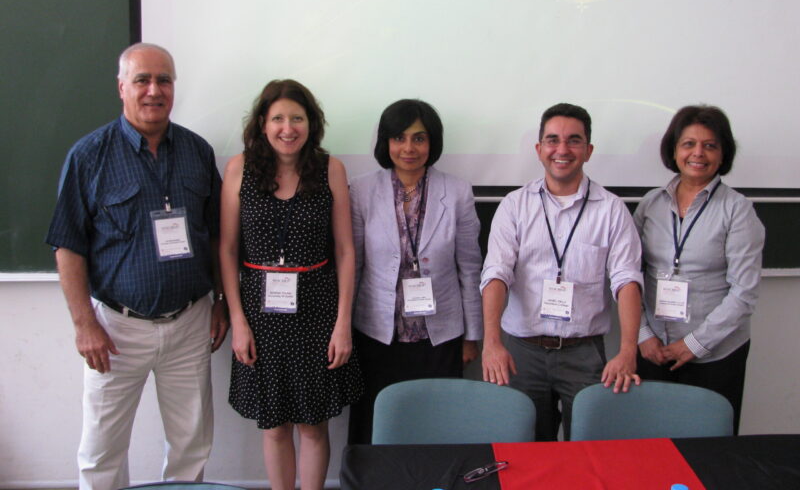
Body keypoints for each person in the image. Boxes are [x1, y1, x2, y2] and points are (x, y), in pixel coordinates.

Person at [45, 43, 229, 490]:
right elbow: (68, 246)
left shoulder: (197, 152)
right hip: (115, 330)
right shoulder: (89, 156)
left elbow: (218, 235)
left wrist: (220, 301)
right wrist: (83, 323)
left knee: (190, 444)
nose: (154, 90)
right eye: (142, 80)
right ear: (121, 88)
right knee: (102, 450)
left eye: (163, 80)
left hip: (190, 322)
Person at [221, 79, 363, 490]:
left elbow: (345, 251)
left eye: (297, 118)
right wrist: (237, 321)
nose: (288, 127)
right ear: (262, 123)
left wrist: (342, 324)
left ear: (310, 123)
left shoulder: (330, 169)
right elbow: (228, 249)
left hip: (317, 311)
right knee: (275, 426)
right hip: (258, 314)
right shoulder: (239, 169)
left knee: (313, 425)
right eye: (278, 118)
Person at [480, 103, 643, 441]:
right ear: (539, 149)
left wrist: (628, 351)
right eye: (552, 140)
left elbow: (627, 281)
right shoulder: (515, 205)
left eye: (574, 140)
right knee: (525, 449)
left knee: (590, 447)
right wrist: (492, 342)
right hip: (520, 351)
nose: (562, 149)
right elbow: (497, 273)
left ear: (588, 150)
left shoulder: (612, 210)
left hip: (584, 354)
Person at [347, 99, 483, 444]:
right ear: (386, 142)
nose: (409, 148)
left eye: (419, 138)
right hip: (377, 334)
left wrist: (472, 335)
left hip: (439, 338)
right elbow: (355, 264)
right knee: (375, 428)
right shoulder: (362, 191)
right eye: (399, 137)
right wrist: (344, 328)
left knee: (435, 430)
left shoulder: (457, 192)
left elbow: (469, 267)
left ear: (432, 142)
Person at [634, 105, 764, 433]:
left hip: (715, 355)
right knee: (651, 443)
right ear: (674, 150)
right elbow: (629, 275)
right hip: (653, 351)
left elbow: (744, 293)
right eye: (688, 143)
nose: (698, 153)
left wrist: (692, 344)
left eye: (710, 145)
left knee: (709, 450)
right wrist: (643, 335)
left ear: (723, 154)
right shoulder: (651, 204)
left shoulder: (737, 210)